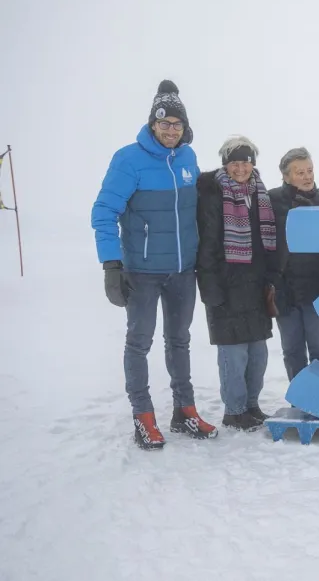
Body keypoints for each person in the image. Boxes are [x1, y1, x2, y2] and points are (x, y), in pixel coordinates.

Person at [92, 80, 217, 450]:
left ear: (185, 127)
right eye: (164, 123)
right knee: (139, 343)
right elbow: (103, 212)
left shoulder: (188, 159)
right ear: (152, 123)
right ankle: (143, 417)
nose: (170, 131)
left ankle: (184, 411)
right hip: (142, 272)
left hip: (182, 270)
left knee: (180, 341)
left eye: (177, 124)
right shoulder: (128, 159)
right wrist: (111, 265)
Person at [196, 136, 279, 431]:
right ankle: (234, 410)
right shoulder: (212, 193)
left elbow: (267, 241)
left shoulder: (260, 193)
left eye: (245, 161)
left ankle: (252, 406)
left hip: (255, 285)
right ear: (225, 164)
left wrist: (271, 278)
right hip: (225, 285)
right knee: (233, 353)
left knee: (258, 352)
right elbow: (206, 244)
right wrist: (210, 289)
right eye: (234, 162)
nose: (241, 167)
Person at [269, 148, 319, 381]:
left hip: (318, 289)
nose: (307, 177)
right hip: (284, 290)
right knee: (292, 350)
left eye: (309, 170)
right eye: (300, 172)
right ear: (286, 176)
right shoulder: (271, 200)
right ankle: (300, 399)